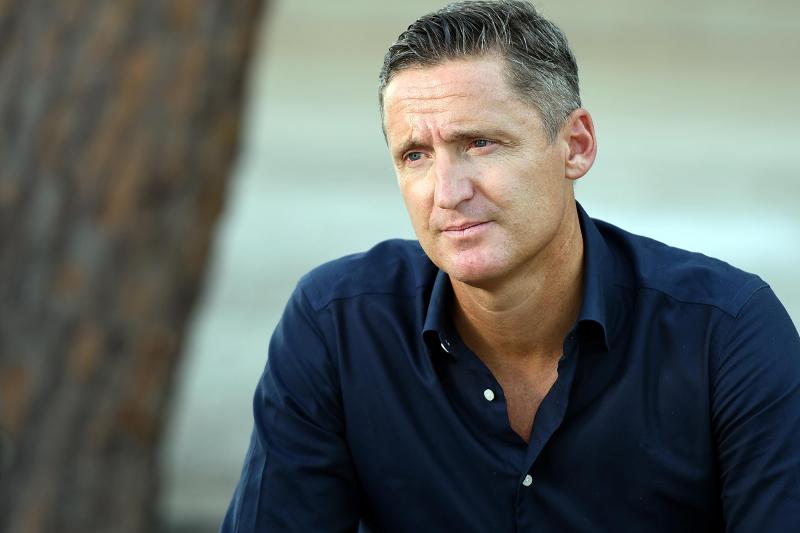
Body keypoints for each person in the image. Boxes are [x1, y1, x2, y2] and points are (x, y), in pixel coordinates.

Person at [221, 1, 800, 531]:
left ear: (576, 146)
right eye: (416, 155)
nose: (447, 193)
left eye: (479, 143)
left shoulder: (725, 333)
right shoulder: (338, 326)